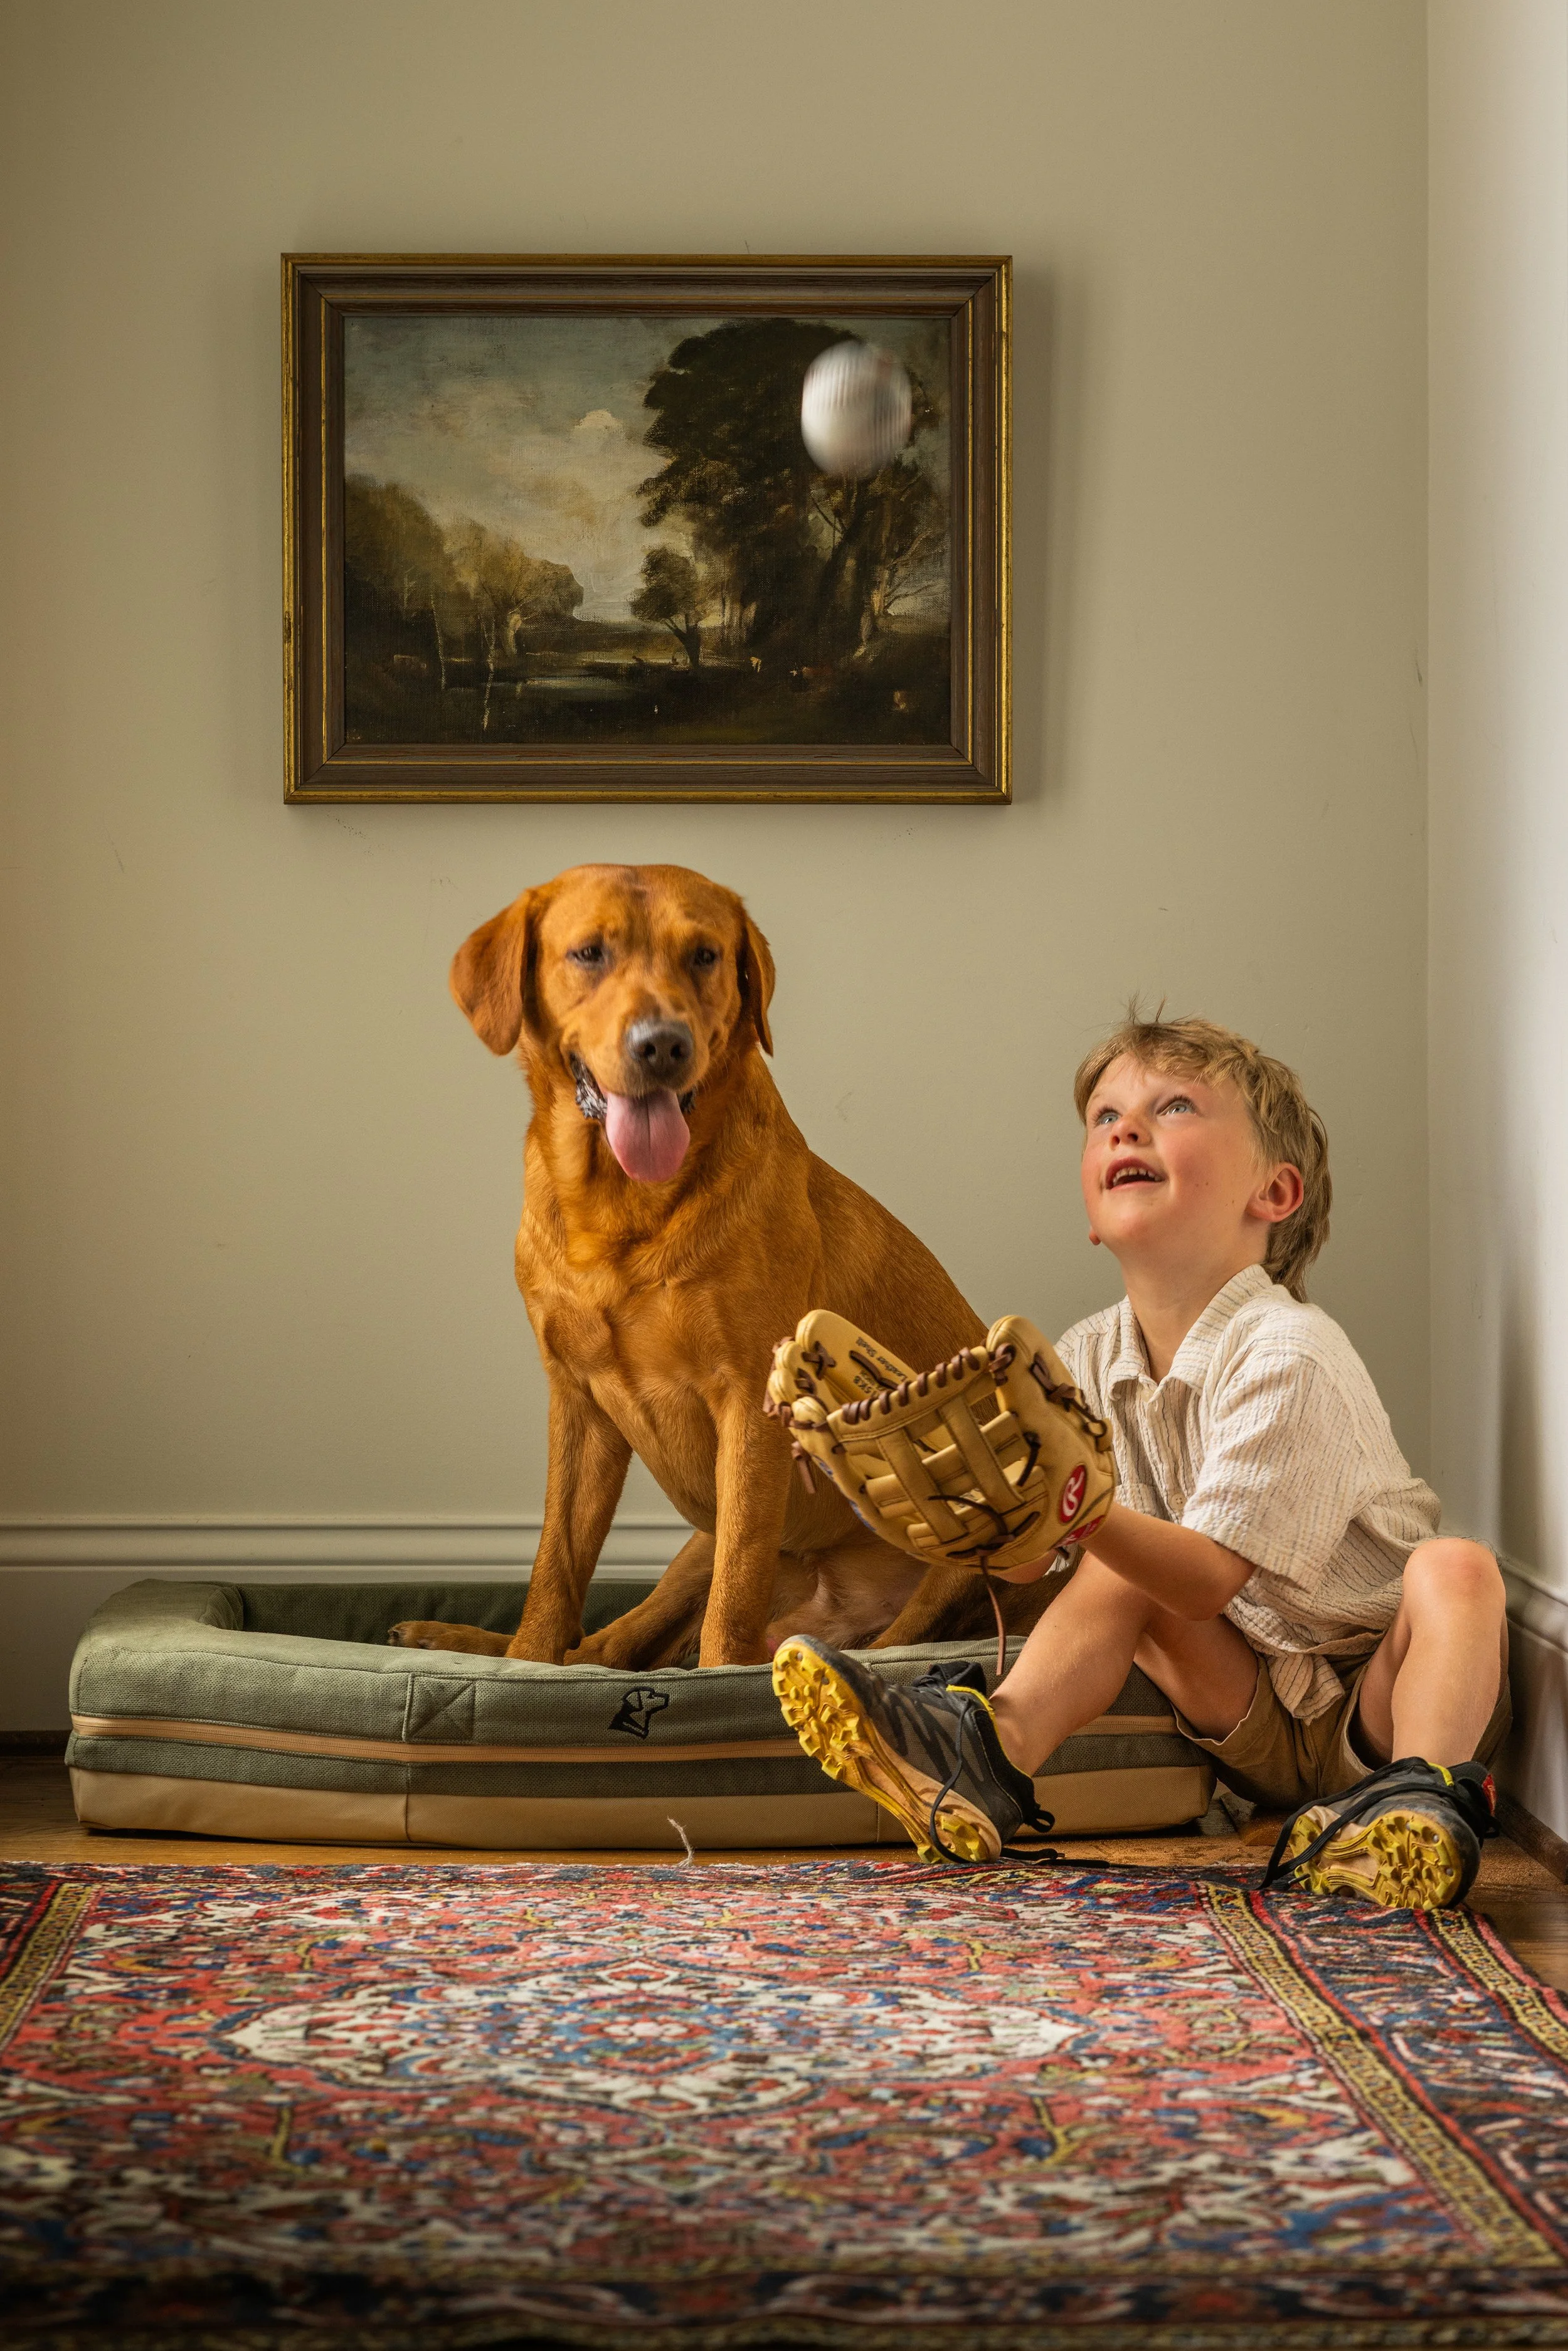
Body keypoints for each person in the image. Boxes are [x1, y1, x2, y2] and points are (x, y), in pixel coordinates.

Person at [771, 1014, 1510, 1909]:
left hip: (1385, 1694)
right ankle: (985, 1756)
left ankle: (1418, 1803)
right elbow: (1033, 1563)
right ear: (1092, 1210)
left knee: (1456, 1569)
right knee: (1118, 1566)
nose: (1125, 1126)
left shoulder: (1289, 1350)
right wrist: (951, 1504)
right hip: (1252, 1710)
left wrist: (1077, 1509)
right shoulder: (1080, 1360)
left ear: (1275, 1192)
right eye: (1105, 1117)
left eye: (1174, 1107)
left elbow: (1201, 1582)